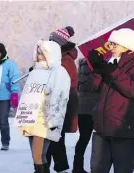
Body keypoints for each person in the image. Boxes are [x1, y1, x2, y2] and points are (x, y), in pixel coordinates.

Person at [88, 28, 134, 173]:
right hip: (102, 127)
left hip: (125, 129)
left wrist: (111, 71)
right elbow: (93, 87)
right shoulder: (109, 62)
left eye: (114, 44)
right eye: (109, 44)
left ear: (126, 45)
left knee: (122, 169)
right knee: (97, 169)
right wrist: (98, 68)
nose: (110, 48)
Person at [19, 40, 71, 173]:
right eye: (38, 52)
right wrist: (22, 116)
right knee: (37, 156)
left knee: (38, 155)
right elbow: (27, 95)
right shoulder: (35, 71)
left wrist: (54, 119)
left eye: (42, 52)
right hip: (32, 117)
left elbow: (60, 97)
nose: (39, 55)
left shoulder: (59, 72)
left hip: (45, 118)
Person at [46, 26, 78, 173]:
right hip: (50, 105)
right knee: (50, 140)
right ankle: (55, 167)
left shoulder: (65, 61)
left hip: (59, 107)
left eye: (52, 41)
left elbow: (63, 86)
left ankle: (57, 167)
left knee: (54, 140)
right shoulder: (54, 59)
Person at [71, 58, 100, 173]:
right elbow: (96, 86)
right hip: (95, 108)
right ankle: (97, 167)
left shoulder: (81, 67)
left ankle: (77, 167)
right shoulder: (96, 68)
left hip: (82, 108)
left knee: (83, 139)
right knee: (100, 140)